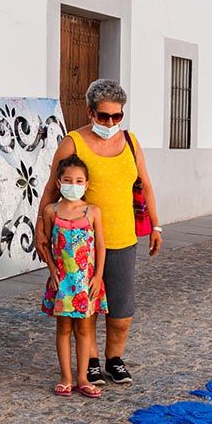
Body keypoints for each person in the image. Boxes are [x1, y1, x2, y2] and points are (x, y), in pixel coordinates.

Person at [35, 79, 163, 386]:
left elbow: (145, 183)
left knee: (122, 307)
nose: (110, 123)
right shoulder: (73, 142)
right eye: (104, 116)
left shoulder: (130, 142)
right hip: (79, 241)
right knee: (86, 305)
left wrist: (156, 225)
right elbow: (53, 187)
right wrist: (41, 226)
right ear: (91, 113)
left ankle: (114, 359)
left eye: (117, 116)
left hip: (121, 238)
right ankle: (89, 362)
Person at [41, 155, 107, 399]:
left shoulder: (92, 212)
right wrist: (51, 270)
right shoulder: (51, 211)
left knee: (84, 330)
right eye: (68, 179)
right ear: (59, 182)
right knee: (63, 329)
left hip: (86, 281)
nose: (73, 184)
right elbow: (45, 243)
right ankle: (65, 377)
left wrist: (98, 276)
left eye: (79, 180)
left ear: (86, 184)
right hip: (62, 281)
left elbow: (101, 245)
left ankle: (82, 377)